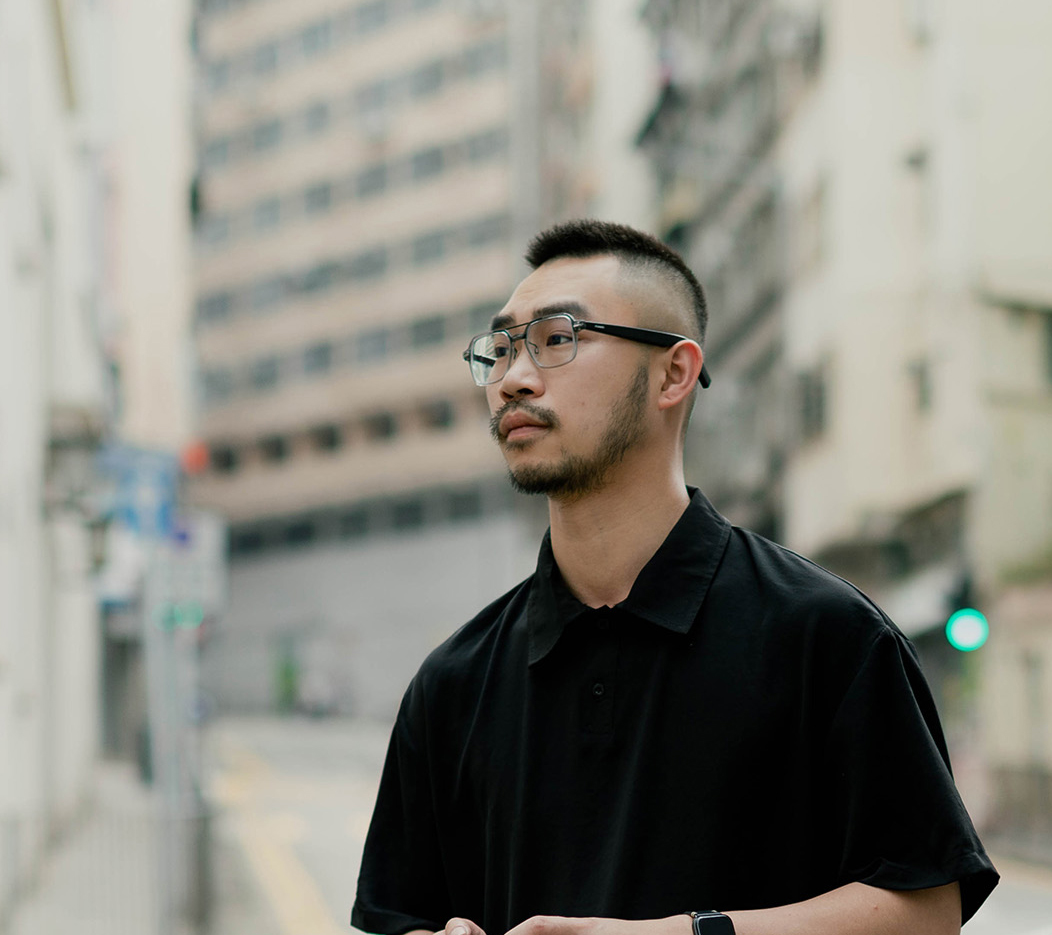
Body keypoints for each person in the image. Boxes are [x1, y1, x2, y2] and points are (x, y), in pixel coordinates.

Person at [352, 220, 998, 935]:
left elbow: (927, 912)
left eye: (557, 338)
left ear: (673, 373)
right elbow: (395, 919)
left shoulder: (828, 636)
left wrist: (688, 934)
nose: (513, 379)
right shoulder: (453, 682)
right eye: (500, 349)